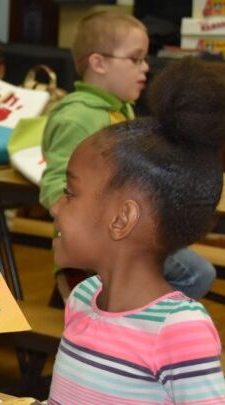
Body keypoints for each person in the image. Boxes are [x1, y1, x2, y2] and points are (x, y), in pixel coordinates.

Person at [48, 57, 225, 404]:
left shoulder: (178, 329)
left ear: (121, 219)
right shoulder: (83, 298)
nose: (55, 206)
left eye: (70, 194)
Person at [39, 10, 216, 300]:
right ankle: (142, 328)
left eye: (144, 59)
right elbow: (54, 187)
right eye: (135, 59)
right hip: (94, 247)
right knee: (195, 273)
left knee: (196, 271)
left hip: (129, 237)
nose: (145, 67)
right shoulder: (77, 118)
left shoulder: (123, 111)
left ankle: (140, 325)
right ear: (98, 63)